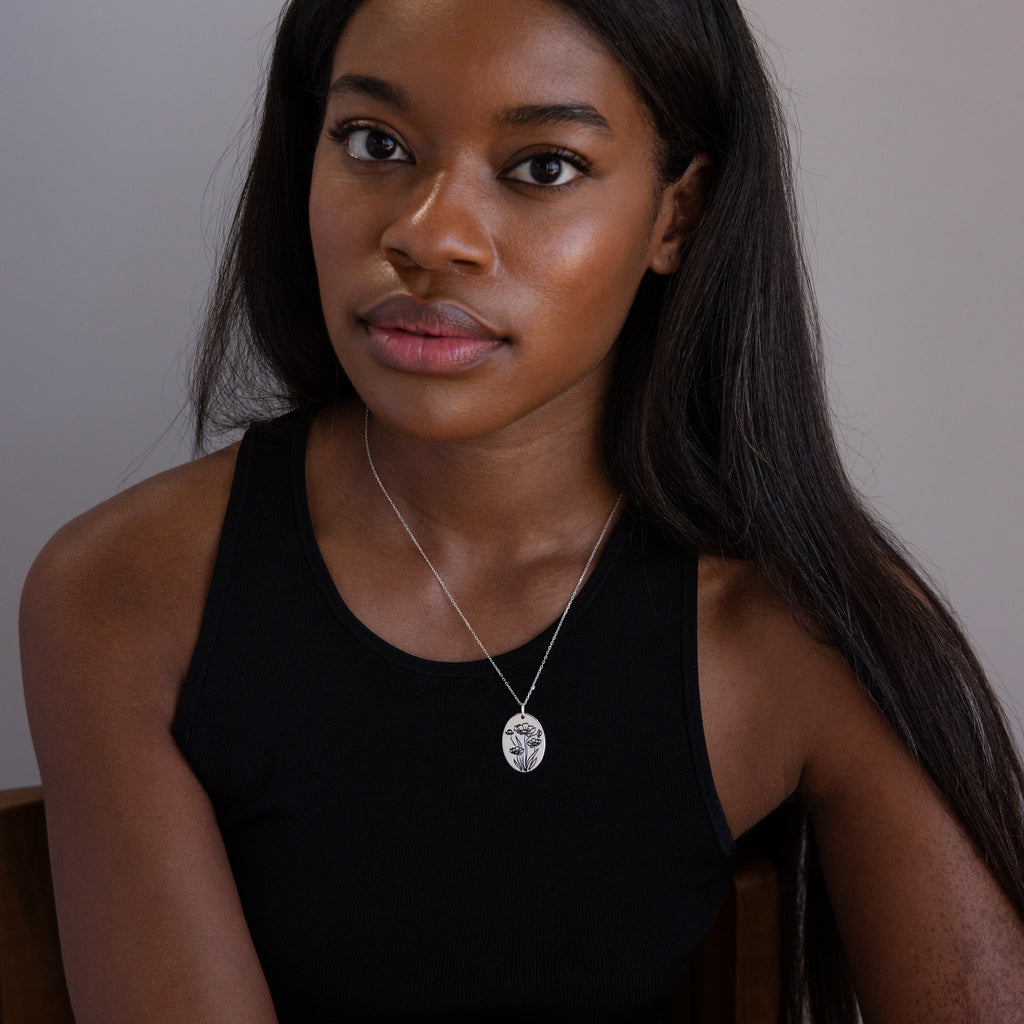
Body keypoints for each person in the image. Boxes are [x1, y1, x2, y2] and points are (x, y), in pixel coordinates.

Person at [19, 0, 1024, 1021]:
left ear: (676, 216)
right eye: (374, 143)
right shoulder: (127, 597)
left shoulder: (798, 630)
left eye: (543, 166)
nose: (429, 236)